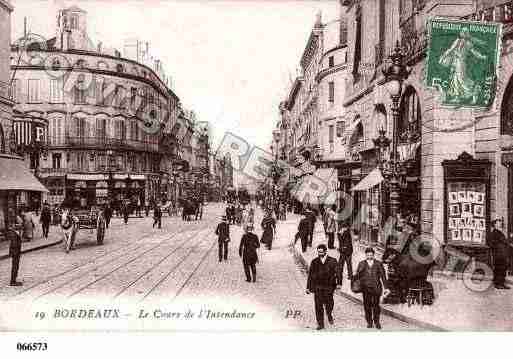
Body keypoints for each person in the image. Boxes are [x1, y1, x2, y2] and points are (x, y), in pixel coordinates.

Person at [354, 247, 390, 329]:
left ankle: (377, 322)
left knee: (376, 306)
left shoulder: (378, 263)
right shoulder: (361, 264)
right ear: (365, 255)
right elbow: (357, 276)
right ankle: (369, 322)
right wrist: (356, 284)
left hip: (376, 288)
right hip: (366, 288)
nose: (369, 257)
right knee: (367, 306)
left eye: (371, 255)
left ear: (374, 255)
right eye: (368, 255)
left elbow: (383, 276)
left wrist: (386, 287)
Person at [306, 244, 339, 330]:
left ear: (325, 252)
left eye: (321, 252)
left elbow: (338, 273)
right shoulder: (314, 262)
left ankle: (329, 313)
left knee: (329, 304)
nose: (320, 254)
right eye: (318, 252)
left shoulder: (333, 261)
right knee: (318, 305)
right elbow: (310, 275)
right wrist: (308, 287)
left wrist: (338, 283)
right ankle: (320, 324)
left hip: (329, 287)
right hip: (318, 287)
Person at [487, 218, 513, 289]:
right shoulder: (494, 233)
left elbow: (504, 242)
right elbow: (492, 244)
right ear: (495, 224)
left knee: (502, 269)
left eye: (500, 222)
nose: (500, 224)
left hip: (502, 254)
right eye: (498, 222)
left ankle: (501, 283)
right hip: (498, 254)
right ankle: (498, 284)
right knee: (499, 269)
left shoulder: (499, 232)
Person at [8, 208, 23, 286]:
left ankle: (14, 279)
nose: (21, 226)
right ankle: (13, 281)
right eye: (20, 224)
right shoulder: (14, 233)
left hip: (16, 251)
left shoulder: (16, 233)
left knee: (16, 265)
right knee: (15, 265)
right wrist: (15, 252)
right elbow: (14, 244)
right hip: (15, 251)